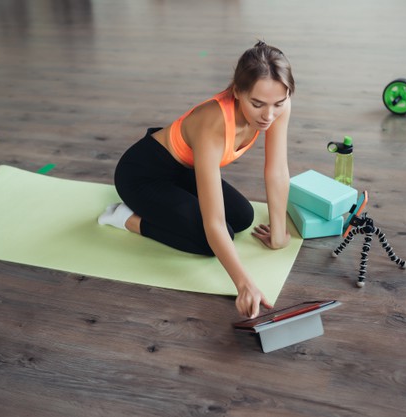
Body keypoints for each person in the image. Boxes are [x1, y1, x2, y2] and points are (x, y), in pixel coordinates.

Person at [98, 41, 295, 319]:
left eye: (278, 103)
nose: (269, 115)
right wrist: (244, 284)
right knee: (212, 240)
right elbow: (213, 223)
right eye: (258, 104)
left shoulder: (277, 104)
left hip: (184, 171)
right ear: (237, 92)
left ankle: (169, 205)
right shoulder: (212, 122)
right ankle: (125, 217)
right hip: (143, 175)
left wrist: (278, 234)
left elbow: (276, 170)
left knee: (242, 217)